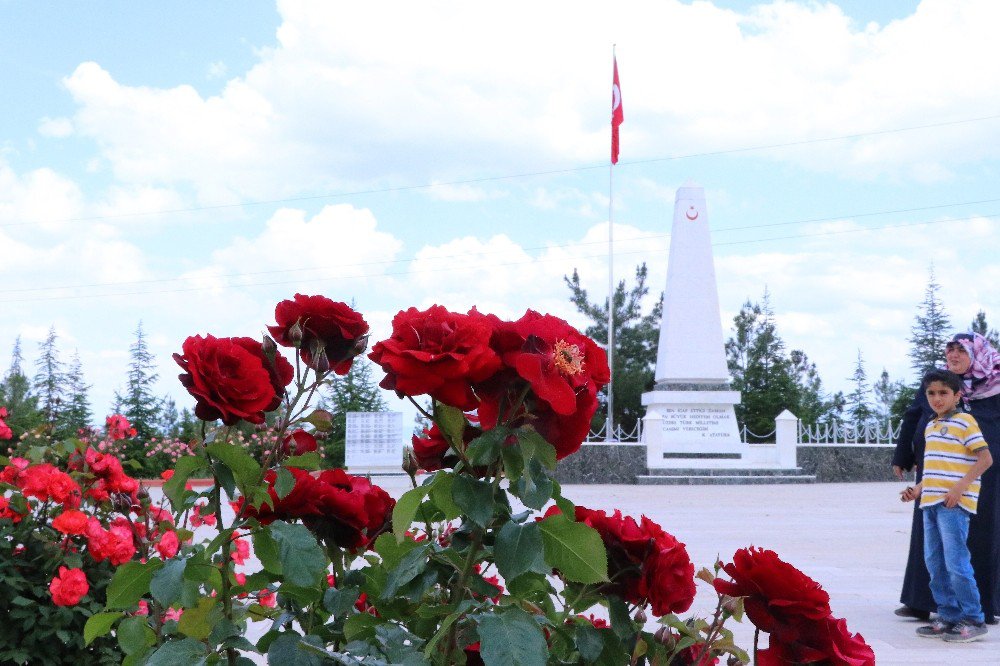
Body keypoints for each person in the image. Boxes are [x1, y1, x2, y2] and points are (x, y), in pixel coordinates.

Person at [892, 332, 1000, 623]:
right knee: (930, 544)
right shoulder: (937, 382)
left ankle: (980, 608)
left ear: (976, 353)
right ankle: (921, 601)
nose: (953, 356)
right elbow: (913, 416)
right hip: (937, 469)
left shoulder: (996, 384)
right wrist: (903, 454)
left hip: (982, 472)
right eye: (949, 350)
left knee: (974, 539)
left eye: (960, 351)